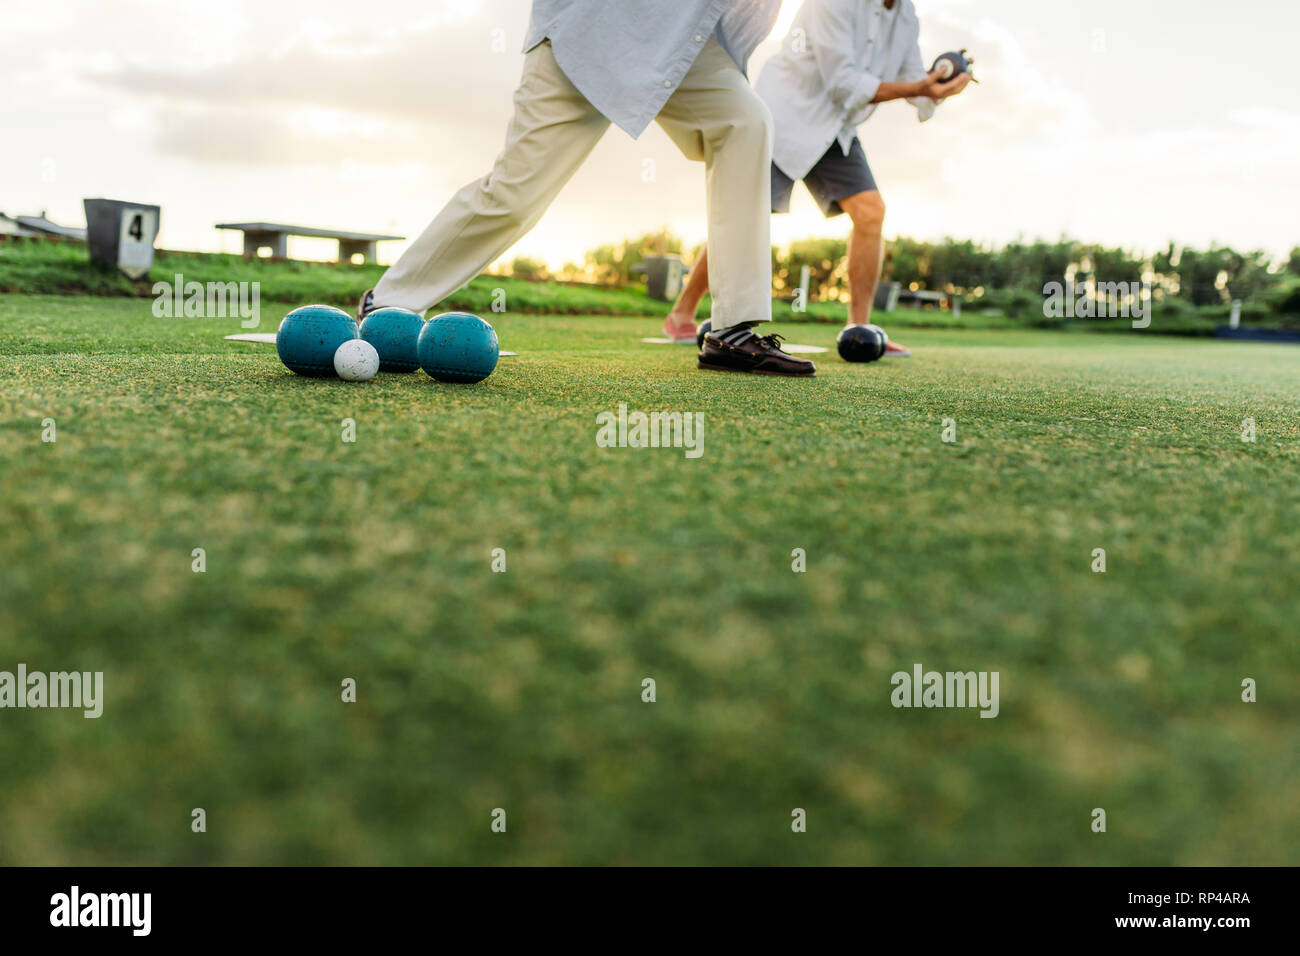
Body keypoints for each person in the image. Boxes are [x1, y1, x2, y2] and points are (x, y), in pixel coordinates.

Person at [360, 0, 816, 378]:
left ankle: (732, 331)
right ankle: (388, 303)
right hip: (589, 31)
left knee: (746, 120)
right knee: (514, 195)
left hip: (681, 43)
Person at [664, 0, 973, 358]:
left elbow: (914, 81)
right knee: (748, 216)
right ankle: (682, 312)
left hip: (837, 129)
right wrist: (921, 88)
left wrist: (940, 84)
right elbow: (844, 84)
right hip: (785, 116)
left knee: (871, 212)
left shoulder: (906, 15)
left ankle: (859, 328)